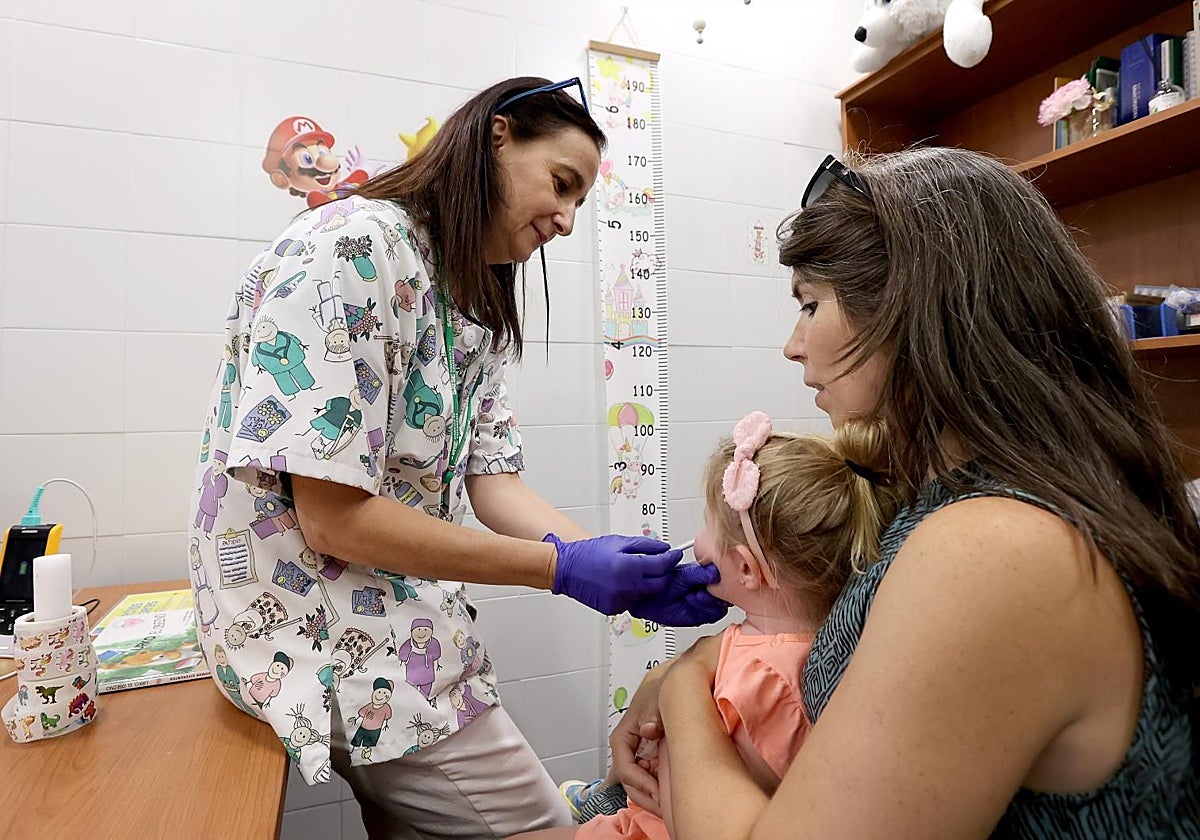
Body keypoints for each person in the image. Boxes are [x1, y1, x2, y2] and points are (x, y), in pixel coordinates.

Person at [188, 76, 726, 840]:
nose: (568, 221)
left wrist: (613, 566)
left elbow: (491, 479)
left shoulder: (472, 303)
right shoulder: (352, 248)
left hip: (390, 619)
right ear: (498, 135)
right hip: (314, 629)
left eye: (580, 202)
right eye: (561, 185)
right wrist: (561, 569)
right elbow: (333, 519)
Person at [618, 146, 1200, 838]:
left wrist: (685, 688)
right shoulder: (953, 498)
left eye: (811, 304)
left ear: (912, 310)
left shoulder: (996, 549)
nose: (793, 346)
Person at [512, 411, 901, 840]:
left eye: (707, 526)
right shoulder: (780, 645)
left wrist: (658, 756)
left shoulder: (763, 681)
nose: (696, 542)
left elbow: (698, 810)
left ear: (745, 569)